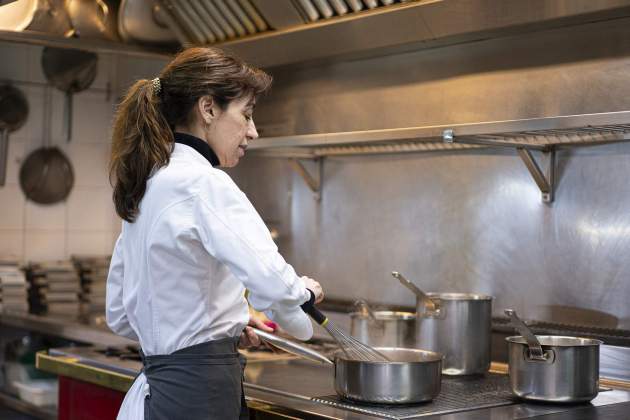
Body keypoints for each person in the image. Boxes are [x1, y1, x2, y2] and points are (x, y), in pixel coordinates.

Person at [106, 47, 324, 420]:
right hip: (200, 397)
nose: (253, 131)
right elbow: (274, 285)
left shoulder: (149, 184)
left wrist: (222, 327)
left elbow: (119, 314)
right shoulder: (204, 184)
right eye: (247, 114)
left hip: (161, 392)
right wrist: (303, 294)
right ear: (208, 109)